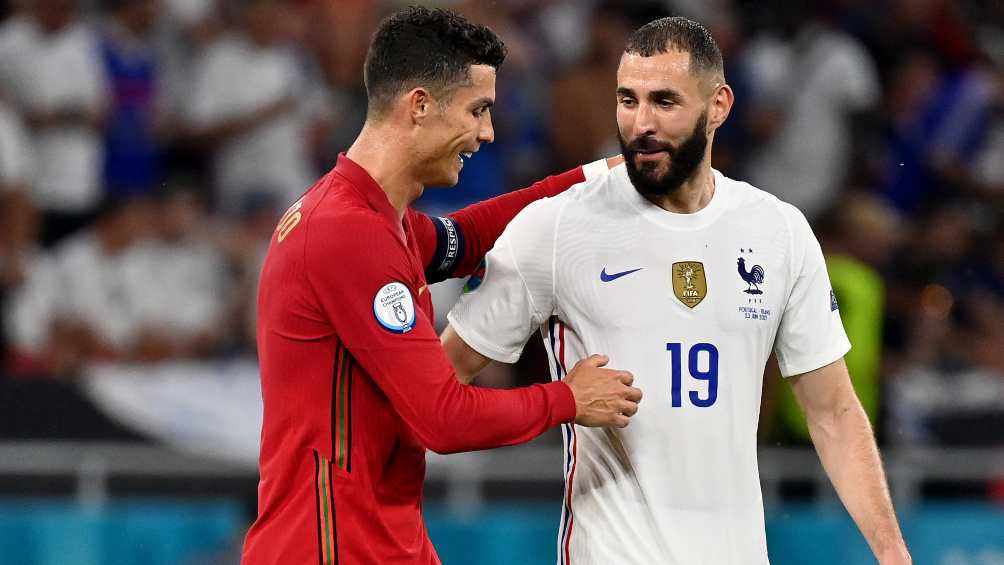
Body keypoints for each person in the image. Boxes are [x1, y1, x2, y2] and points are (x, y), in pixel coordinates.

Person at [442, 17, 911, 565]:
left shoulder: (777, 231)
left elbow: (833, 413)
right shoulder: (555, 229)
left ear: (719, 106)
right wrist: (554, 402)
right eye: (627, 100)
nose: (641, 123)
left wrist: (892, 551)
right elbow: (443, 380)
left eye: (664, 102)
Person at [241, 7, 642, 565]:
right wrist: (568, 398)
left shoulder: (379, 219)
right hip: (331, 547)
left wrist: (594, 181)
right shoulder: (348, 234)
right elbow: (443, 419)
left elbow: (467, 237)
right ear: (420, 106)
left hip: (381, 539)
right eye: (478, 110)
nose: (488, 132)